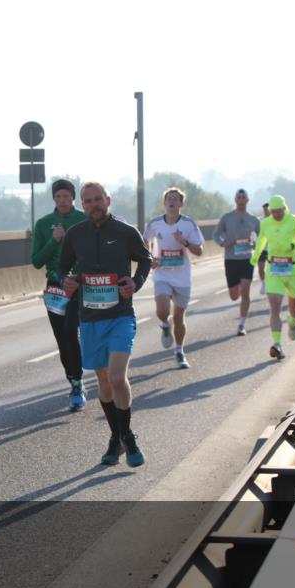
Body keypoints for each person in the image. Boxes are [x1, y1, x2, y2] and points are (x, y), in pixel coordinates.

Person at [58, 182, 152, 467]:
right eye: (88, 201)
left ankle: (129, 438)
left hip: (121, 316)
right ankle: (116, 437)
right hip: (90, 319)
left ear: (107, 200)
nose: (94, 205)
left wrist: (135, 283)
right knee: (103, 381)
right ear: (82, 205)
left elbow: (145, 259)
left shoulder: (125, 232)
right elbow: (63, 267)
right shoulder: (75, 235)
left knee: (116, 377)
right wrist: (67, 280)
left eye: (98, 199)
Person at [31, 179, 87, 411]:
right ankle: (74, 381)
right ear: (54, 199)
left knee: (71, 332)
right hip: (55, 287)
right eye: (58, 197)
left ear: (73, 198)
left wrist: (80, 276)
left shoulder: (83, 219)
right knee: (62, 338)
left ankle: (78, 380)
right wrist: (54, 241)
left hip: (79, 285)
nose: (62, 200)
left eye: (66, 196)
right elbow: (36, 261)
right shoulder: (44, 224)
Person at [143, 187, 204, 368]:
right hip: (162, 274)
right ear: (164, 203)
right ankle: (164, 324)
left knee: (179, 316)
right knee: (163, 310)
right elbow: (144, 241)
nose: (172, 201)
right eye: (169, 198)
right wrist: (150, 258)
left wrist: (183, 241)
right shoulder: (155, 223)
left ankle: (179, 351)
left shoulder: (188, 224)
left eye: (175, 199)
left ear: (181, 203)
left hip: (182, 276)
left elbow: (199, 251)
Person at [249, 194, 295, 360]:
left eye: (279, 211)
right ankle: (277, 344)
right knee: (274, 305)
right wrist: (255, 257)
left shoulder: (294, 221)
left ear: (284, 208)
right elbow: (262, 240)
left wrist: (292, 245)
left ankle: (292, 321)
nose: (276, 214)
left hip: (292, 269)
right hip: (274, 269)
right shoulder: (265, 223)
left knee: (294, 306)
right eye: (273, 212)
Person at [214, 189, 261, 335]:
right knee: (234, 296)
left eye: (243, 197)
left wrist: (255, 244)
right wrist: (224, 243)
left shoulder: (254, 220)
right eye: (238, 197)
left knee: (246, 291)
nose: (241, 199)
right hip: (231, 259)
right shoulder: (227, 217)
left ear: (247, 200)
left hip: (247, 258)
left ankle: (241, 323)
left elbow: (260, 236)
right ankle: (238, 287)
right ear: (235, 200)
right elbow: (216, 234)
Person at [257, 202, 271, 294]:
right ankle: (264, 283)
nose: (266, 211)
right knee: (261, 268)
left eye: (268, 209)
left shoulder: (276, 220)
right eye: (265, 210)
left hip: (274, 248)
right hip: (262, 248)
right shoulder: (259, 221)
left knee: (273, 269)